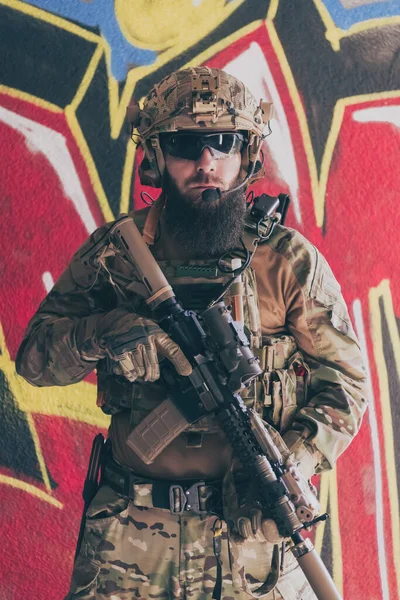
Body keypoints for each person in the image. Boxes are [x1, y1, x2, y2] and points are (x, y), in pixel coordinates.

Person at [16, 66, 368, 600]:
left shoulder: (287, 261)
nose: (206, 164)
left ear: (247, 153)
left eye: (223, 143)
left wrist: (288, 464)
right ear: (157, 156)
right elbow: (35, 360)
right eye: (186, 144)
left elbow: (347, 381)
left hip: (252, 542)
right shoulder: (116, 253)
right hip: (129, 540)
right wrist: (106, 332)